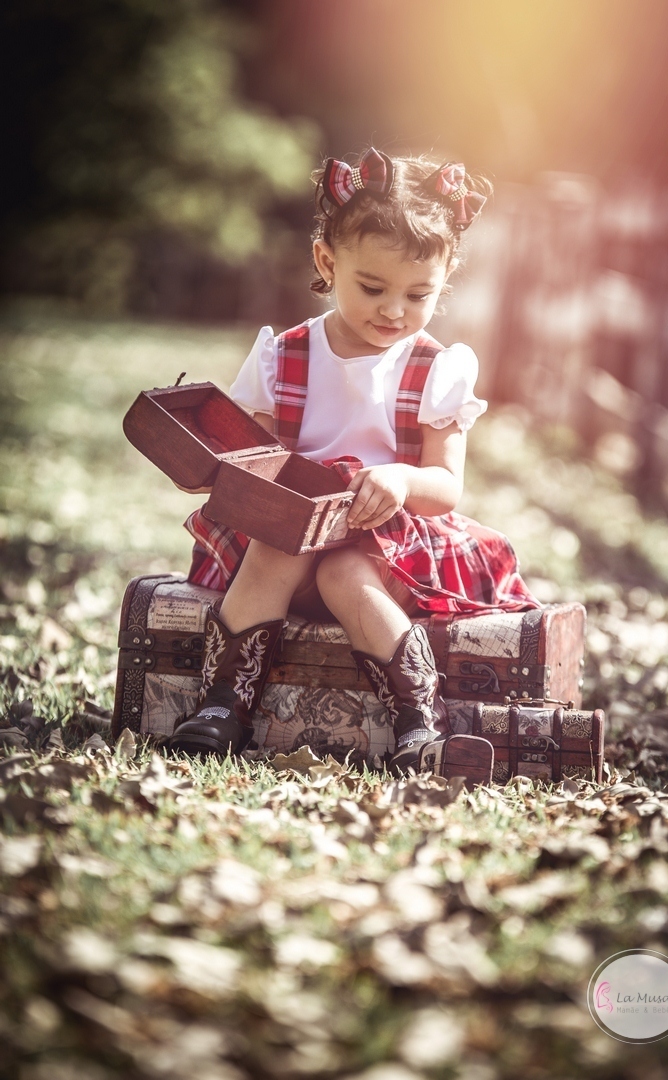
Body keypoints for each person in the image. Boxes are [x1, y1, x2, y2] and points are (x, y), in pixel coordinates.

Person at [168, 147, 540, 770]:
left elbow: (446, 486)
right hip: (290, 540)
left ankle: (420, 721)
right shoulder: (283, 356)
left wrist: (401, 479)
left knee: (344, 572)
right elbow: (256, 460)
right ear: (327, 261)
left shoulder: (435, 369)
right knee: (278, 545)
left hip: (388, 547)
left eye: (419, 294)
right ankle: (225, 704)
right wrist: (219, 471)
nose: (394, 310)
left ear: (445, 279)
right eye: (372, 288)